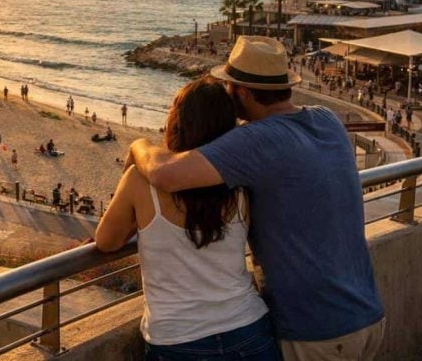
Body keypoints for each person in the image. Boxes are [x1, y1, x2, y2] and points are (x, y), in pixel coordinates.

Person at [127, 37, 384, 359]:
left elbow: (166, 175)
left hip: (317, 329)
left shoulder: (257, 138)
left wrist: (137, 146)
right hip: (367, 314)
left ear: (244, 93)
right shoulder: (327, 119)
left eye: (230, 87)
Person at [96, 76, 276, 360]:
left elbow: (106, 241)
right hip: (248, 329)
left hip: (177, 339)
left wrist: (139, 151)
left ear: (178, 121)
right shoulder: (239, 180)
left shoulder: (140, 181)